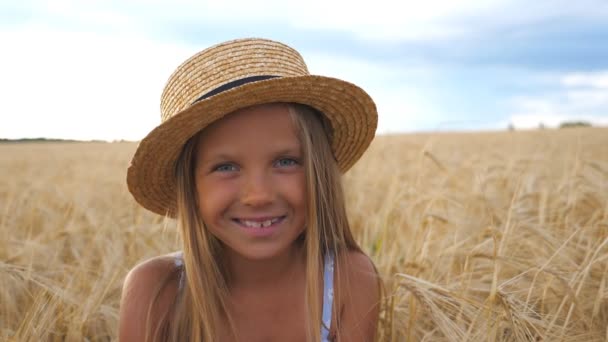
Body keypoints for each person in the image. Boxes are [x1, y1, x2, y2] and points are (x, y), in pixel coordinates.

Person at [119, 38, 382, 342]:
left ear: (319, 173)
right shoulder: (156, 292)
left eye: (286, 161)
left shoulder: (348, 278)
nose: (259, 196)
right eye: (226, 167)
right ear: (190, 187)